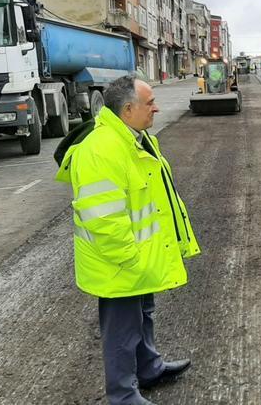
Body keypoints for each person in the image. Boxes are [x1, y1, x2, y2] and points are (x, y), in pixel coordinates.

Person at [56, 76, 201, 404]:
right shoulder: (102, 149)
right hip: (119, 261)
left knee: (143, 315)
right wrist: (131, 258)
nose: (156, 108)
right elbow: (103, 217)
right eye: (150, 103)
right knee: (121, 330)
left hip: (137, 255)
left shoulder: (134, 138)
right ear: (127, 109)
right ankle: (122, 395)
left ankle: (148, 368)